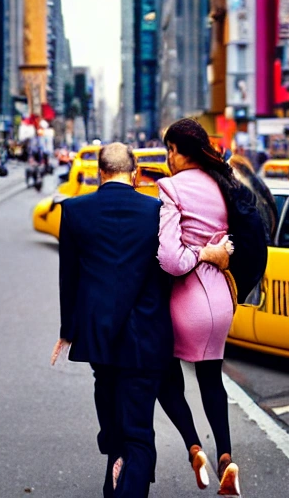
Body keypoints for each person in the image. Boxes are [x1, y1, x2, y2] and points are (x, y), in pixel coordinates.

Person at [50, 142, 175, 498]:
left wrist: (67, 331)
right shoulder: (157, 210)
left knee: (113, 414)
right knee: (139, 434)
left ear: (98, 172)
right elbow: (167, 271)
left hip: (99, 338)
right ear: (135, 173)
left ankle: (114, 470)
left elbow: (68, 277)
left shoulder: (74, 211)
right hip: (146, 337)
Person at [156, 118, 242, 496]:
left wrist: (199, 251)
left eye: (169, 151)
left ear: (178, 151)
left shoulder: (171, 188)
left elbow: (171, 260)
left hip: (185, 301)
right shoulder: (222, 183)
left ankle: (194, 447)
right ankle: (225, 456)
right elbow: (234, 239)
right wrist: (217, 252)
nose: (168, 158)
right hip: (221, 301)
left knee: (164, 375)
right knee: (211, 380)